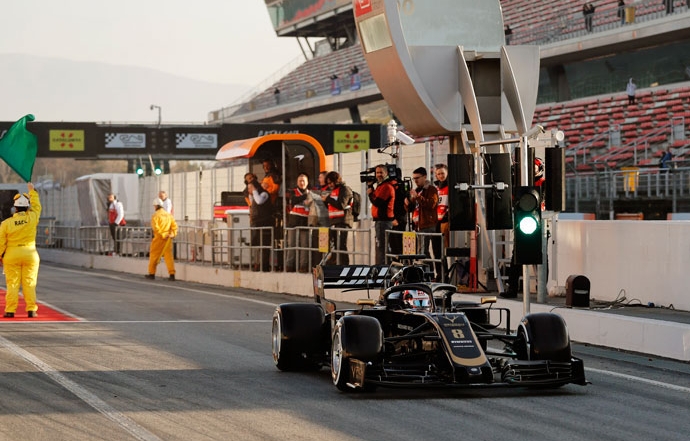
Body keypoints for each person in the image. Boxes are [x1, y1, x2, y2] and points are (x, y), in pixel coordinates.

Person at [0, 183, 41, 318]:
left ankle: (10, 310)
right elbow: (37, 206)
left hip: (12, 254)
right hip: (30, 253)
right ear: (27, 206)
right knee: (29, 282)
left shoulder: (6, 223)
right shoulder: (32, 217)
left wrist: (0, 256)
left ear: (15, 207)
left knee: (12, 284)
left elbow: (1, 242)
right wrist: (32, 191)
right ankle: (31, 310)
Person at [405, 167, 440, 279]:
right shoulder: (417, 190)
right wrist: (407, 203)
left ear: (425, 177)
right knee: (419, 251)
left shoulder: (431, 189)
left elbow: (431, 205)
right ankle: (426, 273)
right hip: (417, 224)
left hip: (428, 224)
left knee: (423, 251)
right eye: (414, 178)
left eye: (417, 178)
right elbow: (412, 208)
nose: (415, 181)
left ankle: (430, 273)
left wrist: (418, 197)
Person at [322, 171, 353, 265]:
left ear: (337, 181)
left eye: (331, 182)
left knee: (341, 245)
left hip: (343, 221)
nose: (330, 185)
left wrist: (327, 199)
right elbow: (331, 206)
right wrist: (325, 201)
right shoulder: (333, 191)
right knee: (335, 245)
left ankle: (345, 265)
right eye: (328, 183)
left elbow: (341, 205)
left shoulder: (344, 189)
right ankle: (337, 263)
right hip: (334, 221)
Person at [367, 164, 395, 265]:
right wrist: (371, 187)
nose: (378, 175)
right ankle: (381, 267)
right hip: (380, 221)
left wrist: (370, 193)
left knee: (382, 247)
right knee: (380, 246)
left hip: (384, 221)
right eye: (377, 173)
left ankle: (383, 268)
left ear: (386, 173)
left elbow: (377, 202)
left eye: (381, 172)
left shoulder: (386, 186)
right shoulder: (381, 186)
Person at [245, 172, 273, 271]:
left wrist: (255, 192)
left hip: (265, 223)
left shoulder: (264, 194)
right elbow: (253, 205)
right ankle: (257, 264)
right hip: (256, 223)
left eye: (250, 188)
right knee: (257, 245)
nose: (249, 190)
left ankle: (264, 266)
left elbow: (259, 201)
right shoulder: (252, 195)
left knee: (264, 246)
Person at [146, 198, 178, 280]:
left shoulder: (155, 216)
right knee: (168, 257)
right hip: (168, 240)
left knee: (153, 256)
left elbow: (155, 228)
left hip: (159, 239)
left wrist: (163, 235)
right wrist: (172, 234)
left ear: (156, 206)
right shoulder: (169, 215)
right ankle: (172, 275)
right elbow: (174, 227)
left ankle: (152, 274)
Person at [285, 173, 312, 273]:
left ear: (307, 182)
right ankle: (289, 266)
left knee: (304, 246)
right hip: (294, 221)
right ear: (297, 182)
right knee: (292, 244)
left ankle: (303, 266)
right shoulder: (293, 192)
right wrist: (306, 196)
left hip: (305, 222)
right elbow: (293, 200)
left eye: (303, 181)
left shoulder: (310, 193)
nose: (301, 183)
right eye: (300, 181)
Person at [308, 171, 330, 266]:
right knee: (315, 246)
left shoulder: (328, 190)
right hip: (316, 223)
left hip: (324, 223)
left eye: (320, 177)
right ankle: (316, 265)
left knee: (323, 247)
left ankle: (322, 266)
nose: (318, 179)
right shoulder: (317, 190)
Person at [434, 164, 450, 278]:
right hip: (436, 221)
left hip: (445, 220)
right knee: (437, 250)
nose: (440, 176)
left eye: (442, 173)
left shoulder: (450, 187)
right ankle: (440, 273)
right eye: (438, 174)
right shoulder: (436, 188)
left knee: (445, 249)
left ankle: (446, 274)